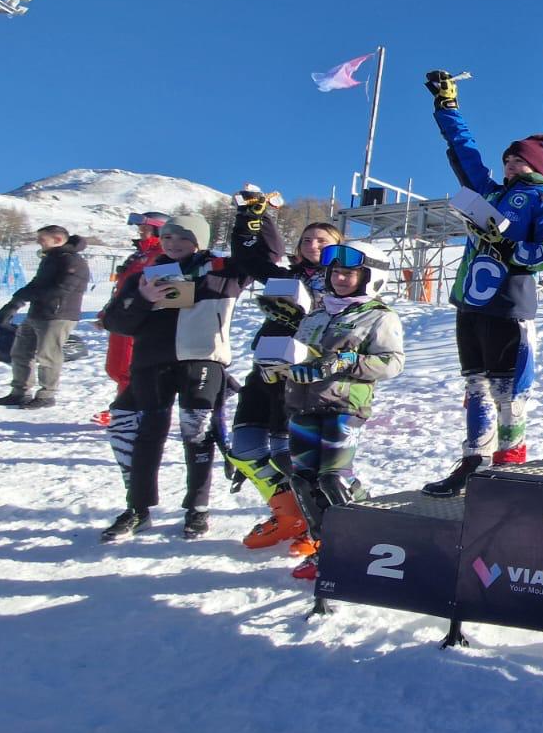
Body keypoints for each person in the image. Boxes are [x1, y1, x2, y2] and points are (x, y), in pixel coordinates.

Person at [422, 69, 543, 495]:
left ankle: (509, 462)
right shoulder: (486, 192)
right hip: (470, 303)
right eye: (507, 158)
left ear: (537, 168)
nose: (510, 164)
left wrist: (510, 249)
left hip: (509, 307)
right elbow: (465, 150)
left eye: (519, 159)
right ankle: (474, 459)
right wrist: (447, 107)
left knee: (508, 389)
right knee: (476, 385)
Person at [98, 213, 244, 541]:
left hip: (201, 364)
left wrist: (251, 217)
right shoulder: (145, 276)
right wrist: (144, 300)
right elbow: (118, 323)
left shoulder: (221, 271)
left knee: (198, 436)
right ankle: (137, 508)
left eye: (183, 239)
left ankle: (198, 508)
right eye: (167, 238)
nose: (173, 245)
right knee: (143, 435)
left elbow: (261, 257)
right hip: (152, 366)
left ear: (199, 241)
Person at [275, 242, 405, 582]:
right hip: (303, 403)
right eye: (336, 272)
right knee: (303, 479)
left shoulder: (379, 315)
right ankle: (326, 548)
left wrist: (350, 361)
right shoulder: (316, 315)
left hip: (344, 405)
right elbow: (302, 355)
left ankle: (366, 527)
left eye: (349, 273)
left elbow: (393, 363)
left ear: (370, 277)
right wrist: (278, 367)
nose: (341, 278)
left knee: (333, 477)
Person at [227, 206, 341, 553]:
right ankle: (288, 512)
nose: (313, 244)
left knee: (287, 452)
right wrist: (249, 219)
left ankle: (315, 522)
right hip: (264, 368)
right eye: (307, 239)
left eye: (322, 240)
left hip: (300, 375)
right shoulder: (287, 275)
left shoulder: (344, 281)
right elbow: (249, 259)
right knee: (244, 448)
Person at [0, 225, 91, 409]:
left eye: (42, 239)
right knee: (21, 351)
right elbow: (36, 283)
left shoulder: (71, 261)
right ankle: (19, 392)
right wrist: (15, 303)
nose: (38, 242)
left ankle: (46, 395)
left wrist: (31, 296)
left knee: (48, 355)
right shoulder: (51, 259)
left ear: (57, 240)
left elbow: (62, 289)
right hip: (37, 313)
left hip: (58, 314)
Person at [93, 212, 168, 425]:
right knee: (116, 367)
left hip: (139, 318)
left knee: (128, 367)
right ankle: (128, 406)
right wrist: (108, 312)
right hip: (121, 316)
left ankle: (124, 410)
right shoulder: (139, 254)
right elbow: (122, 288)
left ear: (158, 229)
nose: (140, 231)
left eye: (145, 227)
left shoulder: (162, 254)